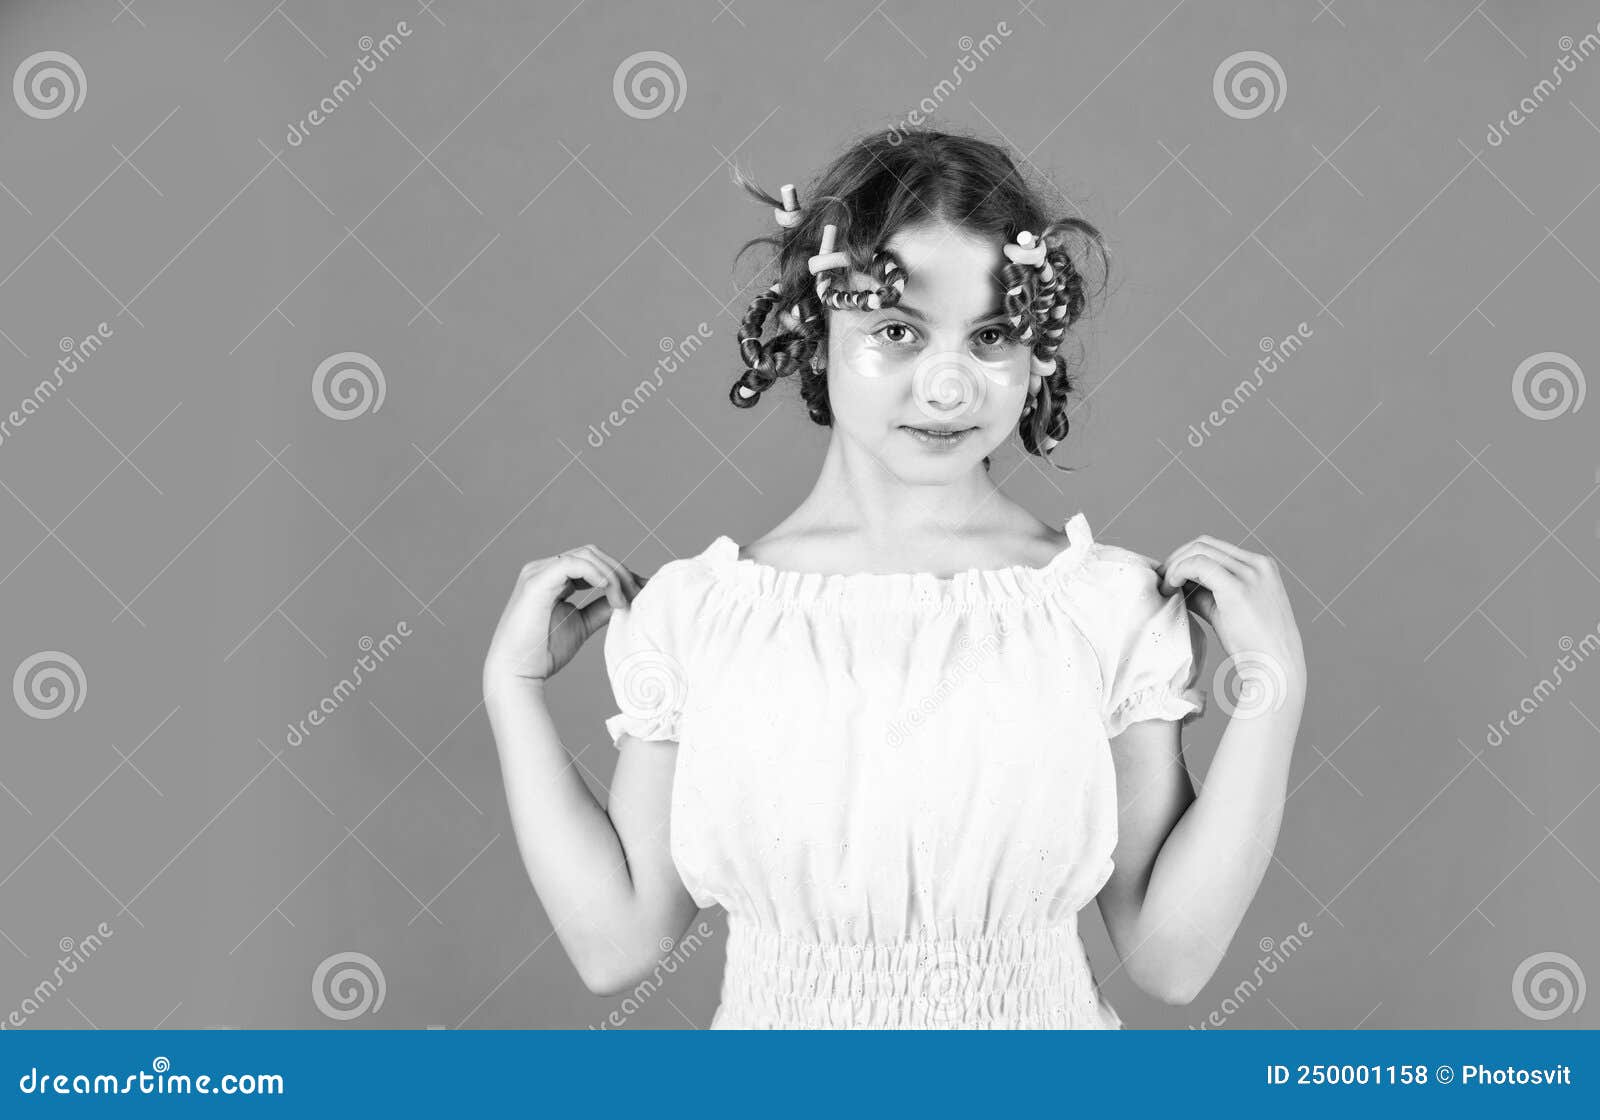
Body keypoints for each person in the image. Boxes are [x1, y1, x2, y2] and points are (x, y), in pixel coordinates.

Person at [483, 127, 1307, 1028]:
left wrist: (1275, 691)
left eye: (992, 334)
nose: (949, 387)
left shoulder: (1103, 609)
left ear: (1037, 352)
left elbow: (1171, 962)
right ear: (814, 333)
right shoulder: (700, 618)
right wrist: (512, 689)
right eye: (897, 331)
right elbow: (618, 947)